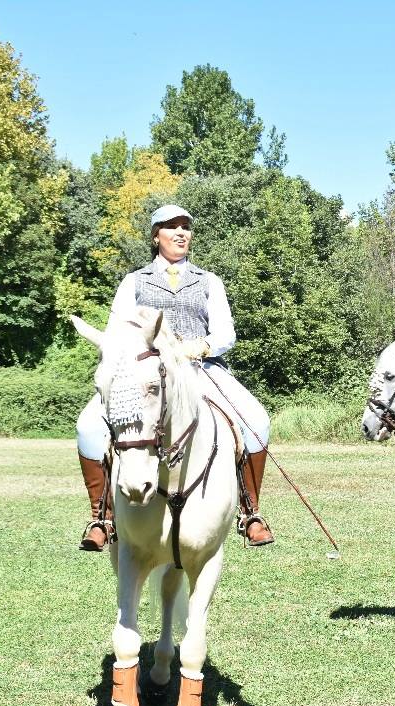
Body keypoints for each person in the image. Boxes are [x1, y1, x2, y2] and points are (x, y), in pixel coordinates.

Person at [76, 204, 275, 550]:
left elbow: (226, 333)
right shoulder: (133, 281)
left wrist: (201, 346)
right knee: (88, 427)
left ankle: (250, 512)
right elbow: (115, 332)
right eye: (171, 227)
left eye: (186, 227)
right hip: (145, 373)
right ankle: (102, 518)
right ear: (156, 237)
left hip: (200, 368)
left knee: (257, 421)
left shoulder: (208, 281)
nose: (181, 233)